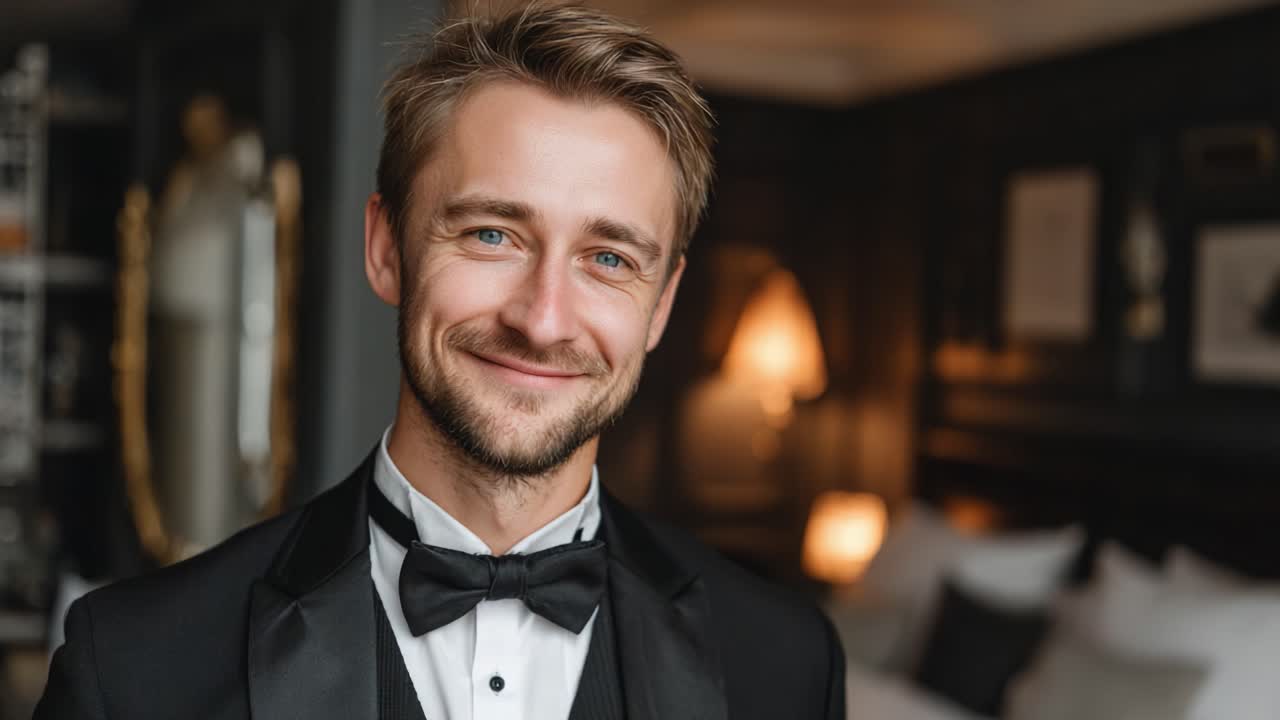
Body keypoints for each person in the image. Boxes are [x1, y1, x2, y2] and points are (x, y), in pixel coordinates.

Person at [36, 5, 845, 719]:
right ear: (386, 248)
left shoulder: (786, 664)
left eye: (608, 259)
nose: (543, 319)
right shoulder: (135, 668)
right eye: (493, 234)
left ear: (661, 304)